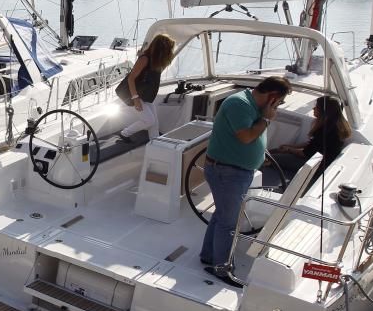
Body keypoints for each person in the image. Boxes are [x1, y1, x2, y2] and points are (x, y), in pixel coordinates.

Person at [199, 77, 293, 279]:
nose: (279, 106)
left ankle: (208, 256)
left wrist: (258, 155)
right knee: (229, 223)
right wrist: (267, 119)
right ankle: (222, 270)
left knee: (221, 215)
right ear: (273, 97)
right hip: (227, 173)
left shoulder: (254, 107)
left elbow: (251, 137)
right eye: (280, 102)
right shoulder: (239, 104)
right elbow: (246, 136)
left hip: (234, 171)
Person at [271, 95, 351, 176]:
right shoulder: (335, 125)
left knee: (269, 158)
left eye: (316, 107)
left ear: (324, 111)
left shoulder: (325, 130)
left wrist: (289, 149)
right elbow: (312, 144)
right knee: (274, 152)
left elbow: (305, 154)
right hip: (317, 162)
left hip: (315, 166)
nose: (313, 109)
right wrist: (291, 146)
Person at [118, 33, 176, 141]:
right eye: (168, 49)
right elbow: (131, 79)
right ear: (161, 49)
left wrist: (141, 54)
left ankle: (155, 143)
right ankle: (124, 134)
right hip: (136, 94)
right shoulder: (145, 59)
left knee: (154, 123)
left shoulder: (156, 60)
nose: (170, 52)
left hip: (145, 95)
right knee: (149, 121)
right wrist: (135, 99)